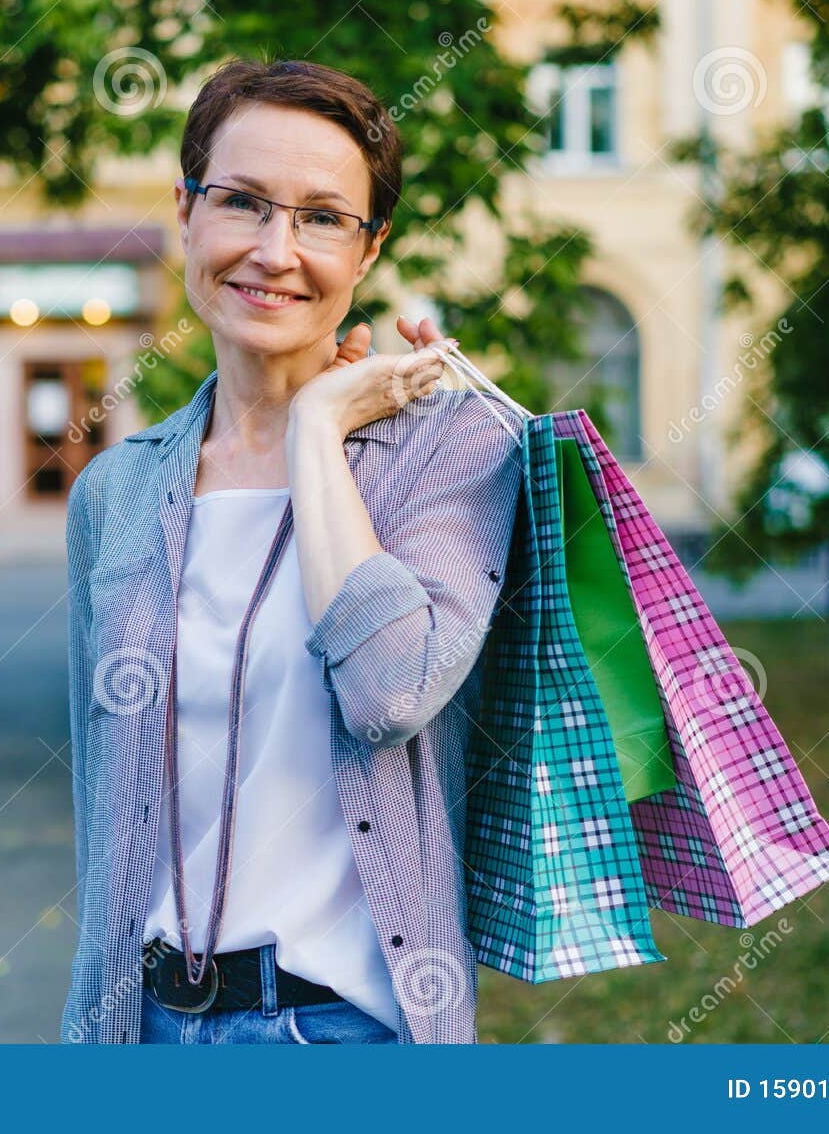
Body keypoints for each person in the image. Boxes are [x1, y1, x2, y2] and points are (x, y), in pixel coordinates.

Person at [61, 57, 522, 1044]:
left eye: (321, 217)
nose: (275, 250)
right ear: (185, 212)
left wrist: (318, 431)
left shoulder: (453, 454)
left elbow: (389, 693)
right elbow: (102, 809)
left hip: (334, 1034)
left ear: (369, 250)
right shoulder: (117, 491)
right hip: (141, 1026)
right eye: (242, 203)